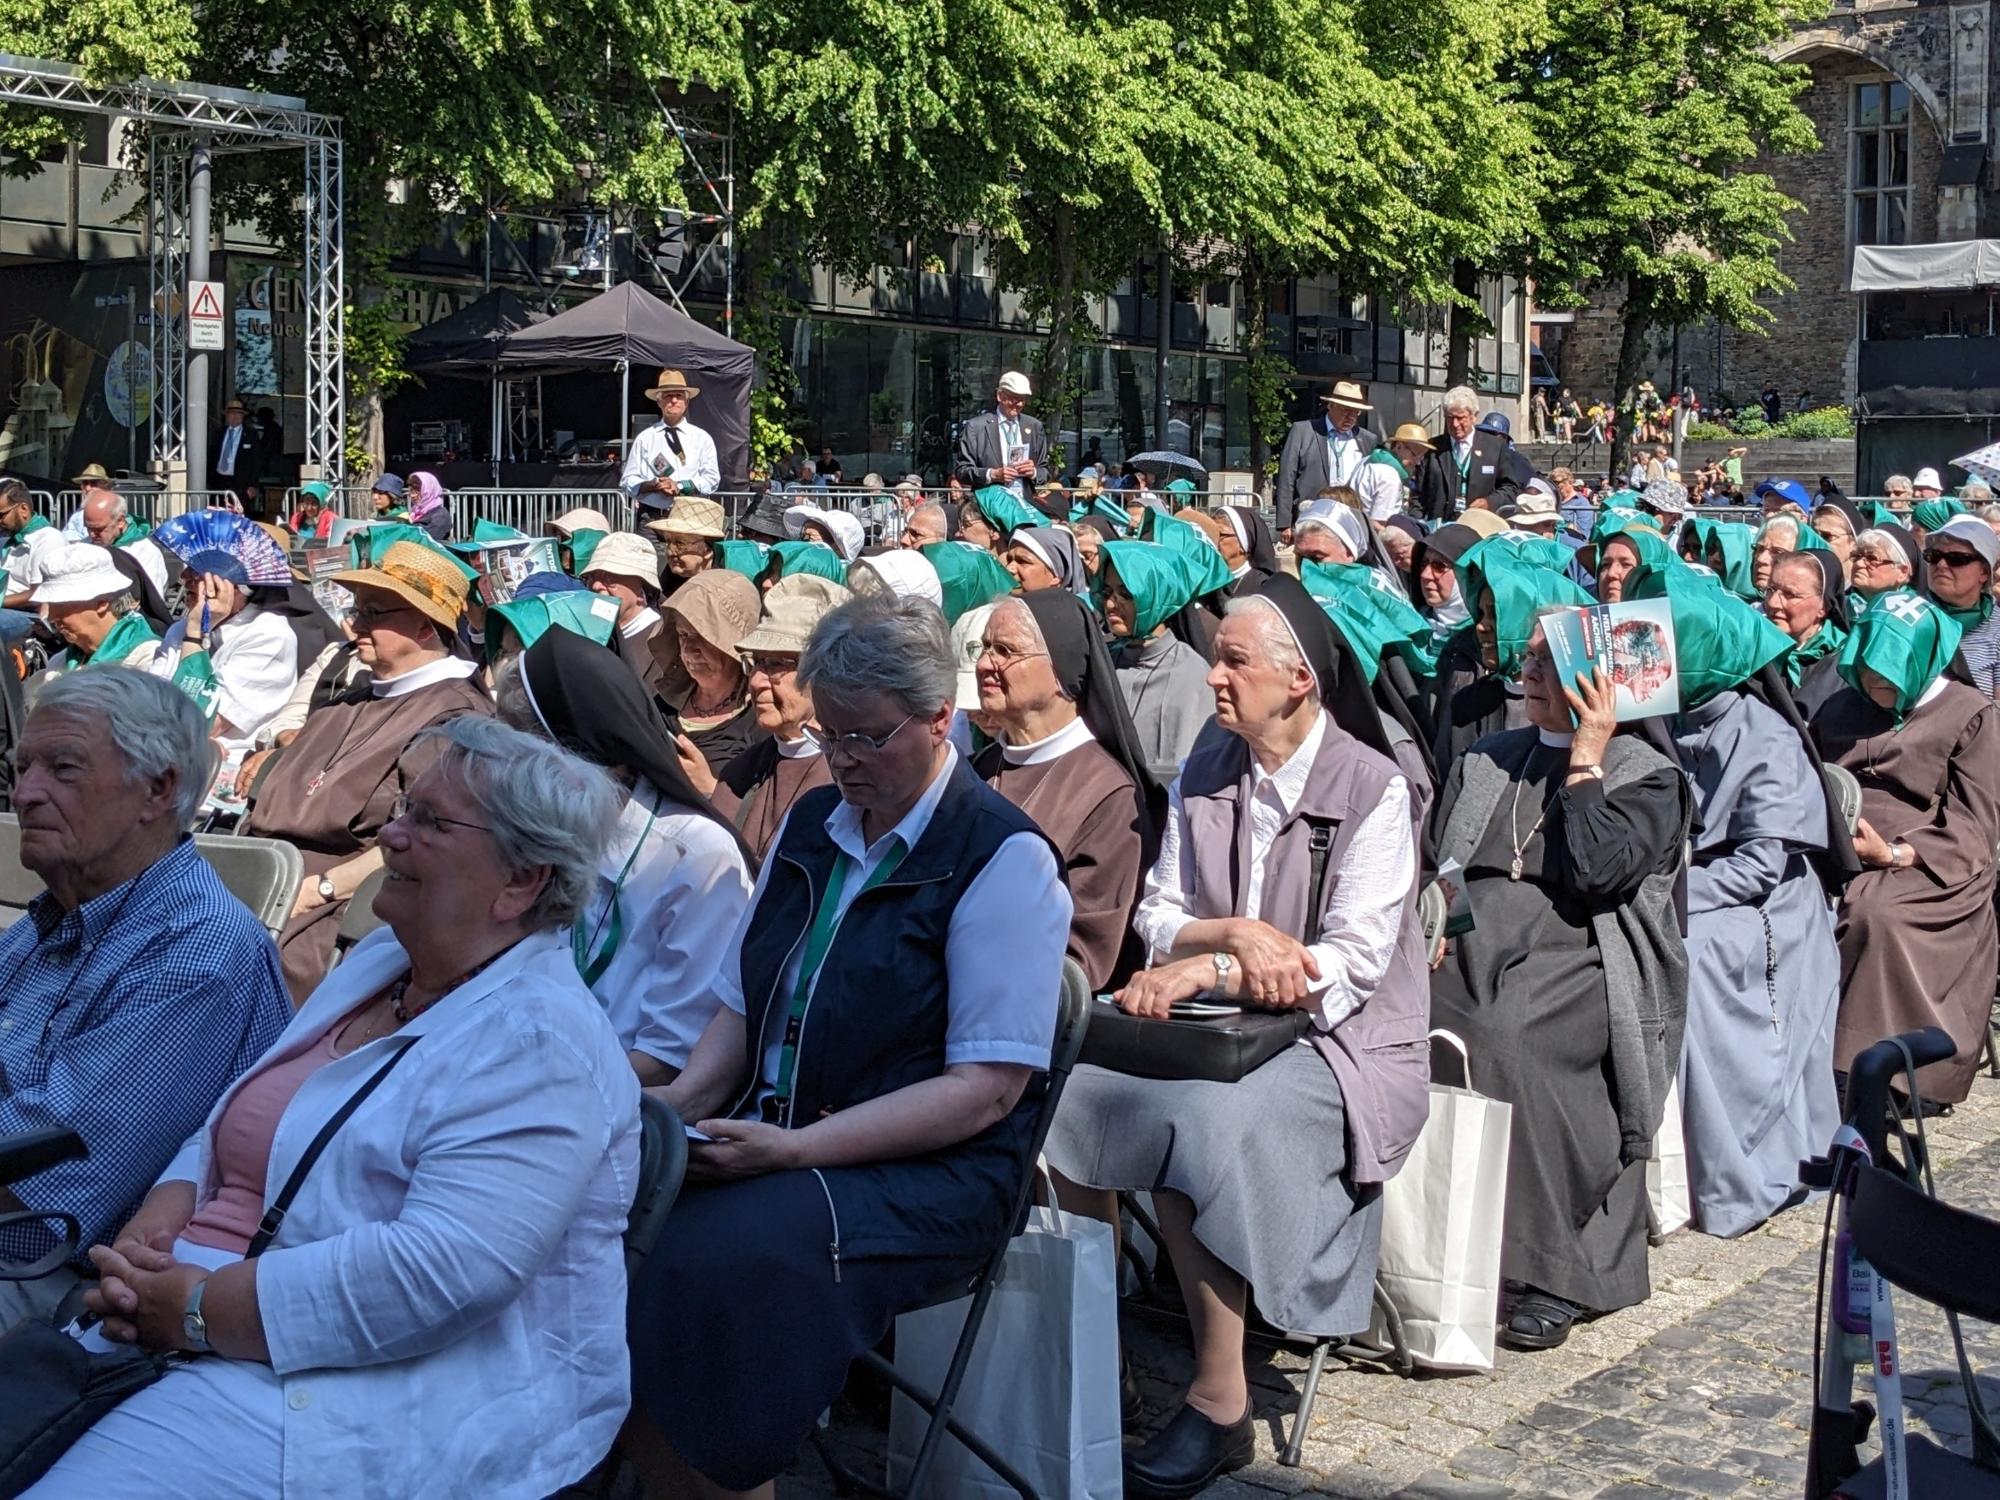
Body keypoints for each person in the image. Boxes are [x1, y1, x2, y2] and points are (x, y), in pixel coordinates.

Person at [26, 718, 639, 1499]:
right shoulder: (387, 960)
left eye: (430, 821)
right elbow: (236, 1121)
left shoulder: (541, 1044)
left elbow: (436, 1274)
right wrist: (165, 1212)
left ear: (523, 881)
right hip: (185, 1311)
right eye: (404, 806)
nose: (392, 833)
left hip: (351, 1393)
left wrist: (199, 1311)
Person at [624, 592, 1071, 1499]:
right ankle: (633, 1458)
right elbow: (743, 1006)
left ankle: (720, 1476)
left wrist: (795, 1150)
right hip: (781, 1135)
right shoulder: (810, 825)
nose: (844, 759)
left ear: (941, 720)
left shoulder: (1002, 857)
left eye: (868, 737)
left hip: (938, 1173)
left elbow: (985, 1089)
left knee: (717, 1261)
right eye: (831, 735)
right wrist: (677, 1109)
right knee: (608, 1204)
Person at [1047, 578, 1425, 1495]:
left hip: (1346, 1047)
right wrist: (1228, 941)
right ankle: (1092, 1358)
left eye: (1233, 660)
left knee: (1200, 1130)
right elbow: (1161, 915)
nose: (1212, 675)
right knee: (1070, 1097)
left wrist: (1212, 967)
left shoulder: (1374, 790)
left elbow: (1352, 963)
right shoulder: (1209, 768)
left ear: (1299, 681)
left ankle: (1221, 1405)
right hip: (1213, 1033)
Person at [0, 669, 289, 1335]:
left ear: (157, 789)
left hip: (55, 1282)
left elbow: (43, 1180)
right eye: (23, 769)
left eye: (62, 769)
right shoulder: (56, 916)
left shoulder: (197, 949)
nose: (25, 793)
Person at [1431, 620, 1692, 1349]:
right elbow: (1439, 859)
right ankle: (1422, 1243)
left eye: (1554, 661)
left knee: (1510, 1040)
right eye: (1531, 656)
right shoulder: (1488, 758)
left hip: (1586, 950)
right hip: (1471, 941)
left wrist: (1587, 754)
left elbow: (1601, 872)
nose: (1532, 670)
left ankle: (1555, 1269)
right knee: (1399, 1019)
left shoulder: (1649, 775)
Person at [1640, 565, 1844, 1237]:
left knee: (1682, 962)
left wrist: (1665, 897)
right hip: (1687, 890)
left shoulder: (1767, 736)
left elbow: (1760, 865)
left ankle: (1730, 1169)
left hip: (1768, 912)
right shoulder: (1662, 720)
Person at [497, 629, 753, 1084]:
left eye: (527, 755)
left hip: (612, 1099)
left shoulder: (696, 856)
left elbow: (669, 1056)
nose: (510, 776)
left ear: (583, 753)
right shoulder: (538, 836)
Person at [240, 542, 492, 998]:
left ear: (425, 623)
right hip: (262, 876)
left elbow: (422, 840)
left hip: (341, 905)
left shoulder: (457, 717)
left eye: (374, 612)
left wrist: (318, 888)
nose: (354, 624)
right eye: (358, 610)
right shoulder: (349, 700)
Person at [1810, 592, 2000, 1108]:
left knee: (1876, 911)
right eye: (1868, 668)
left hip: (1930, 859)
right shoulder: (1845, 703)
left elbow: (1974, 827)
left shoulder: (1970, 714)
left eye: (1889, 672)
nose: (1875, 683)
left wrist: (1895, 854)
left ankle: (1878, 1072)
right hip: (1837, 839)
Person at [974, 591, 1151, 989]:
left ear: (1061, 670)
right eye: (983, 648)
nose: (985, 663)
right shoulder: (978, 769)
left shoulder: (1106, 792)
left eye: (1005, 650)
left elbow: (1084, 954)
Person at [694, 575, 850, 863]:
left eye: (776, 664)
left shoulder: (855, 780)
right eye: (756, 662)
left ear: (826, 670)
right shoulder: (740, 774)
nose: (756, 680)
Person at [1100, 540, 1217, 773]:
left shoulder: (1192, 675)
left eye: (1126, 593)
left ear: (1155, 596)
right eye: (1106, 592)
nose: (1111, 604)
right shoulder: (1103, 661)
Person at [652, 567, 766, 774]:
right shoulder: (660, 708)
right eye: (683, 635)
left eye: (703, 636)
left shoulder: (761, 720)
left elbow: (769, 803)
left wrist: (710, 789)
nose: (689, 649)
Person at [30, 542, 161, 671]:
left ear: (102, 603)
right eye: (50, 605)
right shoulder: (60, 663)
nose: (52, 617)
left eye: (62, 606)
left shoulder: (148, 659)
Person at [1275, 379, 1379, 535]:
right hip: (1312, 515)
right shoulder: (1304, 431)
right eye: (1346, 410)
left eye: (1356, 412)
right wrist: (1284, 523)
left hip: (1351, 518)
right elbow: (1286, 478)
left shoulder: (1367, 439)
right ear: (1330, 406)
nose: (1351, 417)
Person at [576, 530, 670, 696]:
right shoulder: (587, 632)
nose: (596, 586)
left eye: (609, 579)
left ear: (642, 587)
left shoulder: (662, 643)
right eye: (591, 577)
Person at [1417, 386, 1524, 521]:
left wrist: (1489, 502)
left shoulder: (1495, 447)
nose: (1455, 424)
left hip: (1479, 527)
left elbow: (1510, 488)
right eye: (1450, 418)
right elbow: (1418, 495)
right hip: (1438, 529)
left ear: (1474, 417)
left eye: (1460, 418)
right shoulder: (1432, 448)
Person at [1922, 515, 2000, 699]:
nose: (1941, 565)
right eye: (1933, 556)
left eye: (1956, 558)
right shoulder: (1907, 614)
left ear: (1984, 572)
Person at [1764, 551, 1850, 711]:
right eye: (1771, 589)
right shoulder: (1757, 652)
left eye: (1790, 594)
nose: (1773, 603)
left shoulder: (1846, 667)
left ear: (1823, 606)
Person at [623, 368, 721, 508]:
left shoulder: (702, 438)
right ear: (659, 402)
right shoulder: (645, 439)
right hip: (651, 517)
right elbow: (628, 480)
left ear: (686, 402)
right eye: (668, 395)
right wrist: (656, 485)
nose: (674, 400)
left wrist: (680, 486)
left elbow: (711, 479)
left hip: (688, 516)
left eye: (679, 395)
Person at [954, 370, 1049, 502]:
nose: (1020, 404)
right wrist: (992, 474)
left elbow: (1045, 471)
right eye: (1014, 398)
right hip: (989, 504)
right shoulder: (976, 427)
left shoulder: (1034, 427)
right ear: (1000, 396)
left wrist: (1033, 472)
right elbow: (962, 471)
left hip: (1024, 505)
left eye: (1023, 399)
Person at [0, 478, 63, 643]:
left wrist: (0, 601)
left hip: (32, 617)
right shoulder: (13, 540)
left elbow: (38, 595)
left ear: (23, 509)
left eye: (1, 515)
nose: (0, 521)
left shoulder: (48, 539)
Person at [1351, 422, 1432, 522]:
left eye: (1422, 457)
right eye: (1416, 455)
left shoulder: (1367, 460)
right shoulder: (1389, 475)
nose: (1419, 462)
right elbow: (1379, 523)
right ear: (1399, 446)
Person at [646, 494, 727, 591]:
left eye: (680, 544)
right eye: (668, 542)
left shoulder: (722, 588)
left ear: (707, 551)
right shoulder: (664, 581)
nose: (670, 552)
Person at [208, 397, 262, 504]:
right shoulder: (219, 433)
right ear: (227, 416)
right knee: (218, 513)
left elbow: (256, 460)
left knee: (238, 516)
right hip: (219, 481)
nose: (235, 416)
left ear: (243, 416)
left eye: (239, 413)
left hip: (240, 483)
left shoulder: (251, 434)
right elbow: (212, 456)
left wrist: (253, 484)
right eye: (232, 413)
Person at [1004, 525, 1087, 593]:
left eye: (1023, 561)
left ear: (1056, 577)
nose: (1009, 569)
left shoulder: (1072, 612)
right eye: (1009, 560)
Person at [1849, 527, 1919, 601]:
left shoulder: (1917, 610)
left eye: (1872, 558)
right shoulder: (1840, 605)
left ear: (1902, 572)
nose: (1858, 563)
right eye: (1856, 555)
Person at [403, 470, 452, 542]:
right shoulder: (415, 512)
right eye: (411, 488)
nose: (412, 494)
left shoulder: (441, 515)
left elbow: (430, 538)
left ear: (429, 489)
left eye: (417, 488)